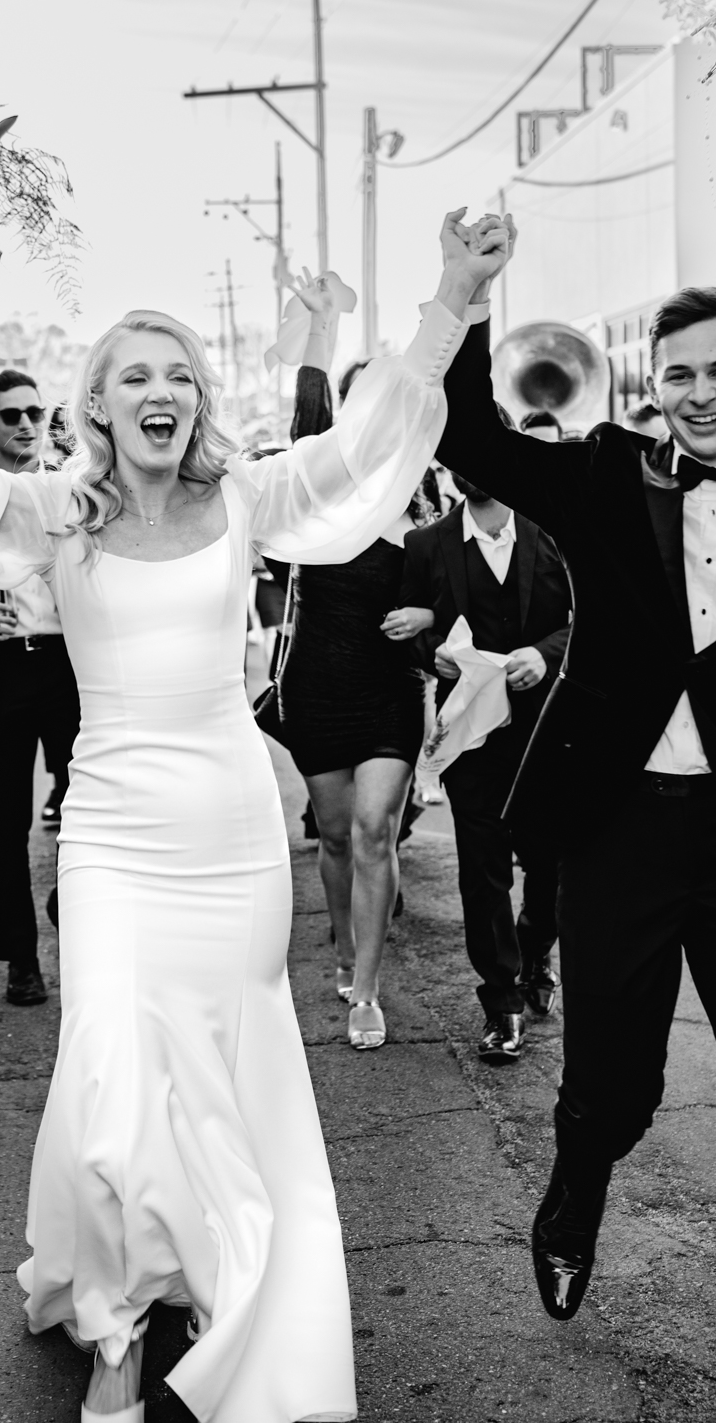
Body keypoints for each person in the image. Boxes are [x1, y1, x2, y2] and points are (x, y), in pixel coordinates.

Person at [0, 210, 506, 1423]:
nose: (160, 392)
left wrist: (450, 298)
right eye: (132, 375)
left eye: (179, 375)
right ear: (95, 405)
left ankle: (203, 1272)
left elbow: (370, 442)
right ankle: (112, 1318)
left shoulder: (249, 494)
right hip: (107, 829)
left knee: (217, 1061)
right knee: (109, 1064)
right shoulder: (56, 512)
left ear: (200, 401)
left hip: (227, 829)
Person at [436, 253, 716, 1423]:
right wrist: (467, 296)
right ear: (654, 384)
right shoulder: (610, 479)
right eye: (678, 374)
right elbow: (473, 434)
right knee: (614, 1092)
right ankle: (576, 1190)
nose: (700, 391)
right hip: (615, 830)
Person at [272, 352, 456, 1052]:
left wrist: (426, 619)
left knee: (376, 828)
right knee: (338, 833)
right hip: (318, 685)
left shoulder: (424, 498)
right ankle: (345, 951)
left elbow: (454, 597)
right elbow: (304, 423)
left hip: (388, 689)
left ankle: (369, 991)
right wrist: (315, 342)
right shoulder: (315, 494)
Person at [393, 464, 571, 1062]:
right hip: (472, 737)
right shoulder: (426, 545)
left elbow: (586, 619)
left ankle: (533, 949)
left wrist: (545, 656)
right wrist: (433, 652)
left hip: (546, 731)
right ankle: (502, 1005)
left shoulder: (552, 533)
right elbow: (407, 622)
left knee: (549, 859)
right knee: (483, 869)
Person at [0, 366, 81, 1007]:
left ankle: (74, 909)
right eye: (10, 416)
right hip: (1, 673)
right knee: (3, 822)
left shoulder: (72, 489)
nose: (25, 424)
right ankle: (21, 960)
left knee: (89, 812)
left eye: (34, 413)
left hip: (69, 669)